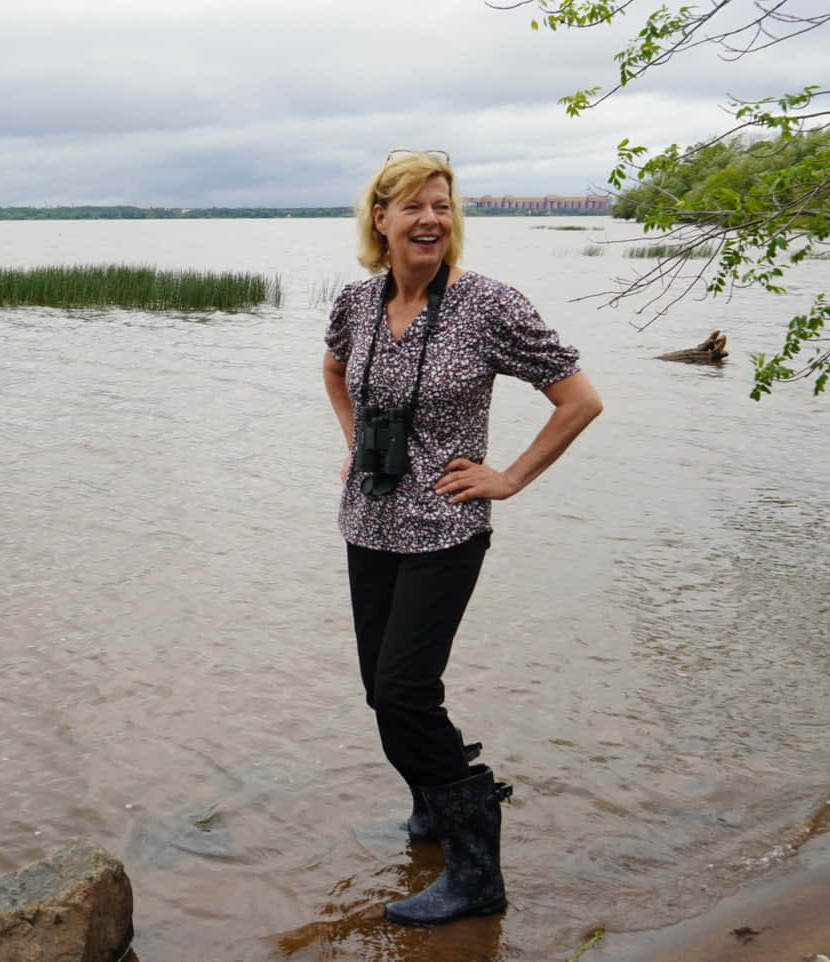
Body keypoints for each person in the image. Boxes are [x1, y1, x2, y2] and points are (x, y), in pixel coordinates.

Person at [321, 149, 602, 926]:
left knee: (408, 692)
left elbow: (579, 400)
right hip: (368, 520)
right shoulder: (358, 301)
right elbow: (334, 370)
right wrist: (352, 442)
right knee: (381, 691)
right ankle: (432, 813)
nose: (431, 220)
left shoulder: (487, 306)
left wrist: (508, 477)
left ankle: (478, 875)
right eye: (413, 206)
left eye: (442, 206)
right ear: (380, 219)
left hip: (446, 527)